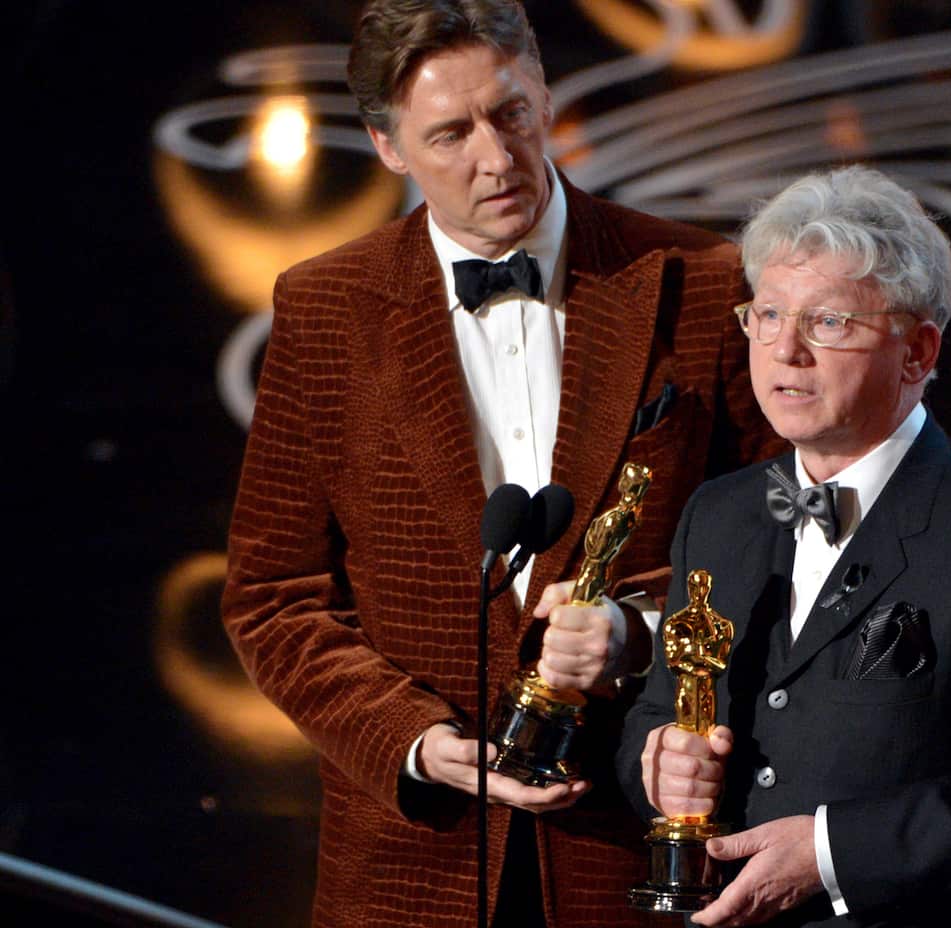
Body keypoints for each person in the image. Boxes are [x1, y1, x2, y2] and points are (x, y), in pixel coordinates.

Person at [220, 2, 779, 926]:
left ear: (546, 94)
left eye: (511, 114)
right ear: (387, 146)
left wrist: (637, 637)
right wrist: (415, 741)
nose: (495, 156)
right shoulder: (325, 308)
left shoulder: (702, 277)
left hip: (638, 851)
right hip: (408, 864)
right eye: (449, 133)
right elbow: (273, 596)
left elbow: (784, 549)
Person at [618, 165, 951, 927]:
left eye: (828, 323)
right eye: (767, 315)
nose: (785, 351)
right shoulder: (719, 513)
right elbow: (657, 712)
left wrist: (830, 854)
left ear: (918, 353)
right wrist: (657, 764)